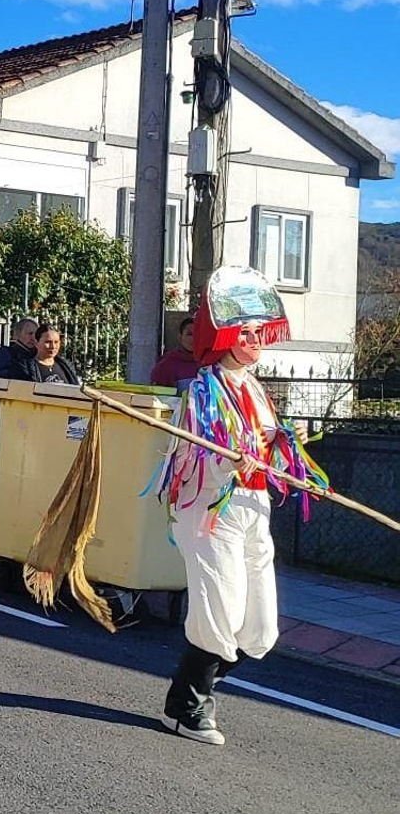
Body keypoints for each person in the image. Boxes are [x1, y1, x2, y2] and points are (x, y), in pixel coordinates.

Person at [153, 266, 323, 746]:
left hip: (253, 508)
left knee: (260, 627)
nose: (255, 340)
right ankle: (187, 707)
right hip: (211, 512)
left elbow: (267, 449)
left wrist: (288, 445)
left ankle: (190, 690)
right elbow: (190, 456)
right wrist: (225, 455)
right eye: (244, 332)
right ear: (224, 336)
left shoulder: (255, 388)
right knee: (220, 612)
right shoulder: (204, 389)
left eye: (257, 332)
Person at [151, 317, 202, 390]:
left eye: (197, 334)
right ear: (180, 337)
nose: (193, 338)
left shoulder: (207, 363)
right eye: (189, 334)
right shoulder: (167, 364)